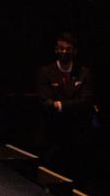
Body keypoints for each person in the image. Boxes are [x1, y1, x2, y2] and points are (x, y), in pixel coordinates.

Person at [36, 32, 94, 176]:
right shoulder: (46, 72)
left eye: (68, 49)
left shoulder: (84, 73)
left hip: (76, 136)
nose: (64, 52)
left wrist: (60, 105)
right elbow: (46, 103)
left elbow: (85, 102)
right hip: (53, 135)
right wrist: (69, 105)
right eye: (61, 48)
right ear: (56, 50)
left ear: (74, 51)